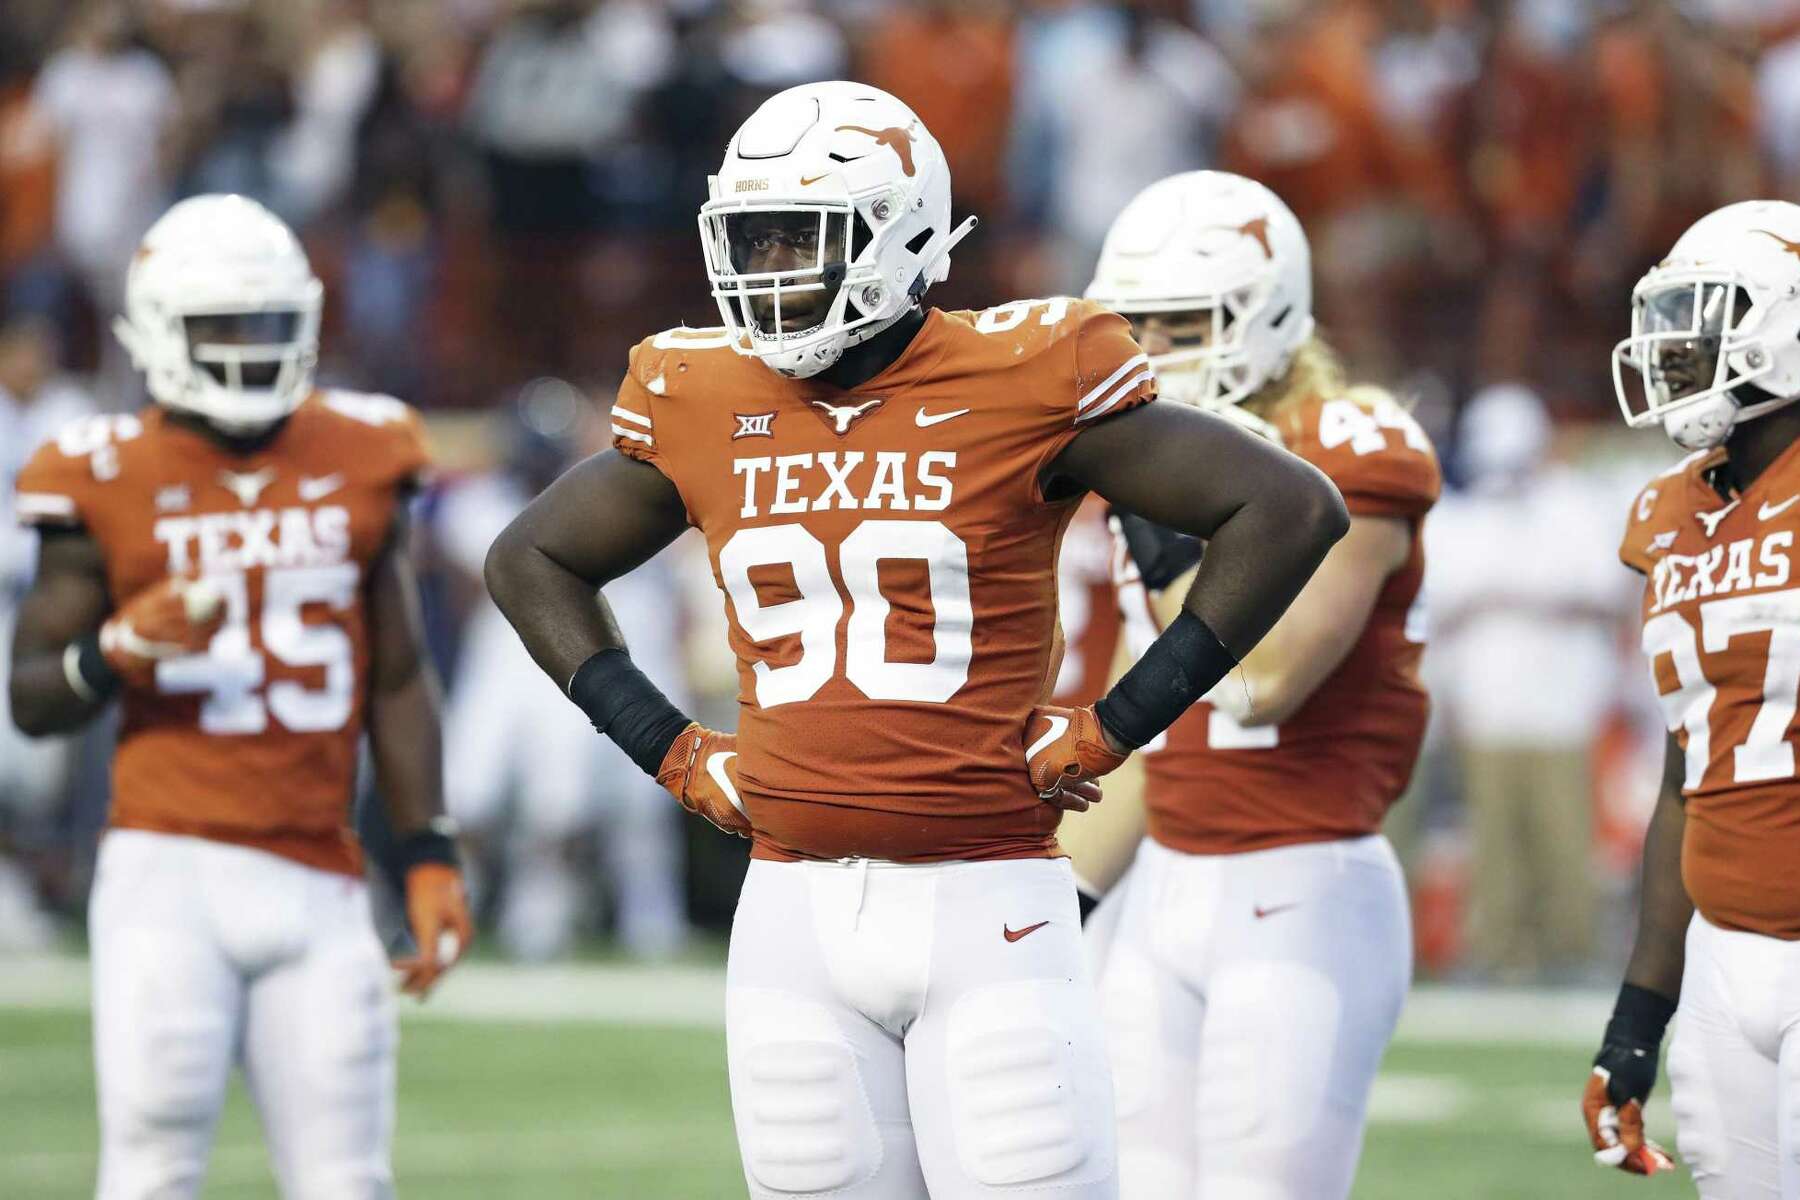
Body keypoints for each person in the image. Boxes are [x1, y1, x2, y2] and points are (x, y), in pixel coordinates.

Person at [484, 82, 1347, 1200]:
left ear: (899, 233)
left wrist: (1118, 723)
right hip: (791, 914)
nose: (769, 271)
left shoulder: (1025, 373)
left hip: (985, 901)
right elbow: (529, 560)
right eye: (752, 239)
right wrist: (671, 749)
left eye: (802, 237)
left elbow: (1288, 509)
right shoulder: (702, 392)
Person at [7, 194, 471, 1200]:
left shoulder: (364, 449)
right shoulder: (100, 472)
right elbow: (33, 698)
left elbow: (396, 671)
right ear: (157, 330)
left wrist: (427, 849)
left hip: (321, 873)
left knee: (350, 1180)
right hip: (165, 870)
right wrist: (120, 648)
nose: (250, 349)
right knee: (151, 1168)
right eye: (221, 326)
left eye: (267, 324)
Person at [1070, 169, 1439, 1199]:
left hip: (1302, 885)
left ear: (1266, 311)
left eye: (1179, 322)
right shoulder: (1164, 463)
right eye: (1130, 324)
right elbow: (1138, 723)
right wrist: (1054, 898)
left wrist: (1152, 521)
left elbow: (1263, 677)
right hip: (1166, 887)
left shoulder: (1351, 445)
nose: (1149, 351)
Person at [1581, 197, 1800, 1195]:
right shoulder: (1667, 509)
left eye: (1700, 319)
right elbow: (1686, 771)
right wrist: (1639, 1012)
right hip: (1721, 947)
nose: (1669, 349)